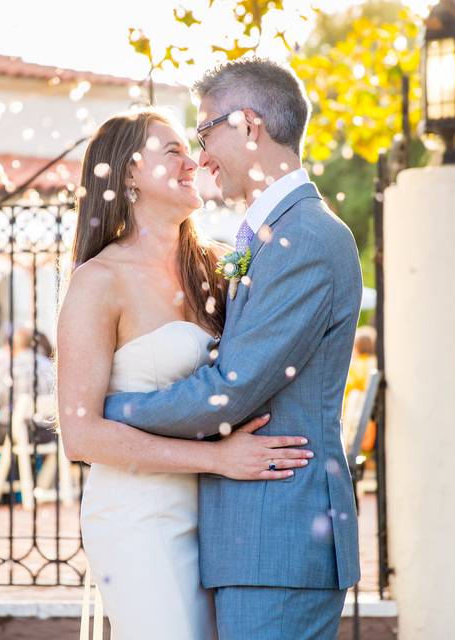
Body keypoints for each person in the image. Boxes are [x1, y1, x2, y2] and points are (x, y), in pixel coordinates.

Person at [103, 58, 363, 639]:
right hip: (253, 537)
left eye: (205, 131)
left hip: (280, 535)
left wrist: (115, 408)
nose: (198, 155)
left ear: (249, 126)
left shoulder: (307, 238)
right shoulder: (270, 235)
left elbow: (231, 387)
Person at [55, 108, 313, 640]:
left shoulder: (218, 268)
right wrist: (217, 458)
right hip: (139, 517)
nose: (193, 161)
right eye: (172, 151)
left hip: (220, 513)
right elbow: (81, 436)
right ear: (127, 174)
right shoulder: (98, 281)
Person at [343, 326, 378, 453]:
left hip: (360, 428)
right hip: (375, 424)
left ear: (357, 347)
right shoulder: (376, 363)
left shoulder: (354, 367)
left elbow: (346, 396)